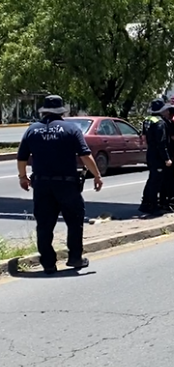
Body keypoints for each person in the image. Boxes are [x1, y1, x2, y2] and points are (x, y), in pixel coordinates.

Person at [16, 95, 103, 274]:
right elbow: (85, 155)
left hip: (41, 185)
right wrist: (97, 175)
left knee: (44, 224)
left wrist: (23, 177)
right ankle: (75, 258)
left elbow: (22, 157)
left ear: (44, 111)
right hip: (66, 184)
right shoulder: (71, 129)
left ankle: (48, 263)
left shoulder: (32, 130)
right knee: (74, 220)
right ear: (62, 111)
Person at [139, 99, 173, 215]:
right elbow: (161, 143)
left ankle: (145, 203)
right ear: (162, 110)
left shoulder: (147, 120)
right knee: (156, 181)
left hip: (150, 153)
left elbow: (144, 137)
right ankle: (153, 206)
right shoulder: (160, 123)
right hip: (158, 156)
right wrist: (167, 158)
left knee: (152, 178)